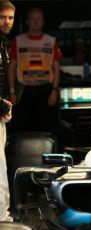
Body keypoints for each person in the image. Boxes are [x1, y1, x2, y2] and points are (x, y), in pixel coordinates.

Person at [8, 8, 62, 132]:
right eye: (33, 19)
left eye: (39, 19)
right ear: (27, 22)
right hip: (23, 91)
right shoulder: (18, 41)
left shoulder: (51, 41)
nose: (36, 22)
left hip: (46, 90)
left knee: (45, 127)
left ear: (43, 22)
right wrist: (12, 91)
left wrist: (54, 90)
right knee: (22, 127)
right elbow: (11, 67)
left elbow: (56, 68)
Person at [0, 0, 15, 221]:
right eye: (2, 17)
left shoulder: (4, 43)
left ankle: (2, 215)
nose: (6, 22)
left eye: (11, 17)